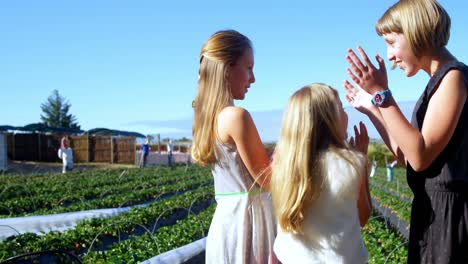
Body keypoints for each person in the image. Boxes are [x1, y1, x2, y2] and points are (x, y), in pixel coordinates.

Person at [343, 0, 468, 262]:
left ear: (416, 32)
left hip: (452, 218)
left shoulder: (454, 78)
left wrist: (381, 95)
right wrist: (372, 108)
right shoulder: (438, 82)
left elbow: (420, 157)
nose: (389, 55)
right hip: (433, 214)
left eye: (391, 42)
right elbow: (406, 153)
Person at [191, 30, 277, 263]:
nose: (253, 78)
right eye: (248, 67)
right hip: (248, 223)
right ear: (227, 68)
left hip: (227, 224)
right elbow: (268, 180)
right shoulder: (236, 117)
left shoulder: (210, 119)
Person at [271, 83, 372, 263]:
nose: (346, 114)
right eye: (341, 108)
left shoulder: (281, 163)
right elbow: (363, 217)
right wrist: (362, 158)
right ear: (330, 119)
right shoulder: (351, 163)